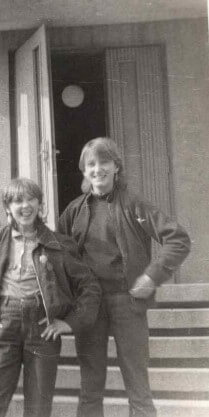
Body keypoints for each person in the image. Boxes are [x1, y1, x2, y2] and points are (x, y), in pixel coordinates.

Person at [58, 137, 191, 417]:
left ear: (116, 166)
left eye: (104, 162)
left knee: (137, 384)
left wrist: (152, 276)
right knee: (90, 385)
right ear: (84, 170)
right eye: (91, 164)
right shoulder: (74, 211)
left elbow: (178, 239)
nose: (98, 169)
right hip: (90, 305)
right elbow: (58, 255)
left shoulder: (134, 204)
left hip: (126, 302)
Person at [0, 177, 101, 417]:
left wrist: (69, 322)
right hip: (4, 324)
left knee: (38, 407)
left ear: (40, 204)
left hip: (42, 328)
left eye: (30, 199)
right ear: (7, 207)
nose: (25, 206)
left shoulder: (59, 244)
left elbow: (90, 287)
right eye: (17, 201)